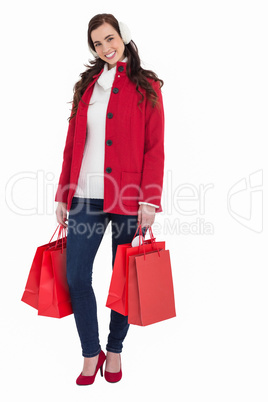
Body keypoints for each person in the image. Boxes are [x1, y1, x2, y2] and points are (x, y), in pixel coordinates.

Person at [55, 13, 165, 385]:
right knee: (76, 276)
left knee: (124, 278)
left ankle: (114, 348)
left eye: (109, 38)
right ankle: (91, 353)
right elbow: (73, 145)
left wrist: (149, 199)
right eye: (98, 43)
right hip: (84, 196)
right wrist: (63, 193)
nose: (105, 48)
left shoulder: (147, 85)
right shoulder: (87, 87)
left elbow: (155, 147)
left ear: (123, 36)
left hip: (129, 198)